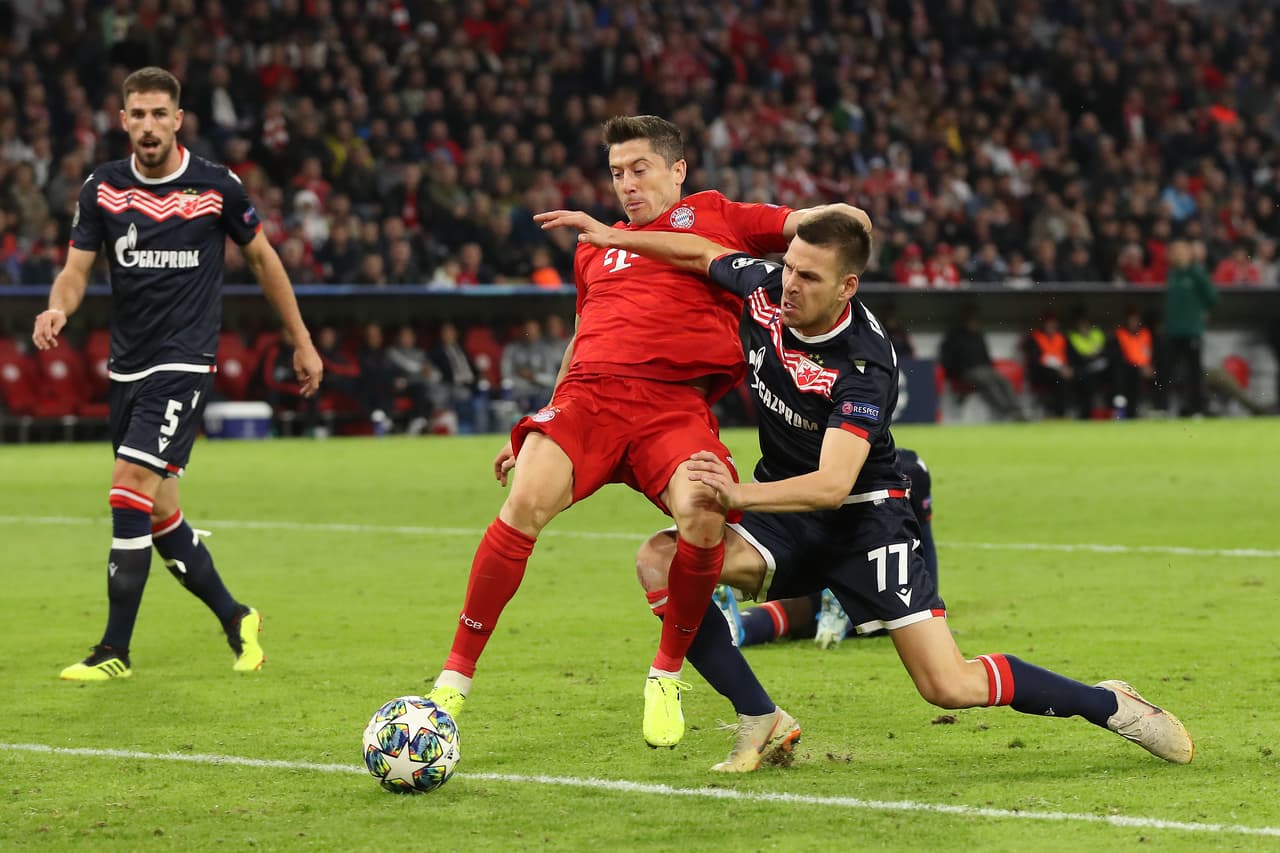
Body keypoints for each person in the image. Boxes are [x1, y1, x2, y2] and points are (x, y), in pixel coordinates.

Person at [547, 206, 1193, 772]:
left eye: (809, 277)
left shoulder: (865, 363)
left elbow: (832, 484)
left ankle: (1112, 704)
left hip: (866, 517)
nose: (789, 285)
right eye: (789, 267)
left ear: (847, 286)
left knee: (948, 683)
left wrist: (735, 496)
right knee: (659, 560)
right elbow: (703, 253)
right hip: (785, 509)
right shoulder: (767, 288)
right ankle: (760, 716)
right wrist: (615, 237)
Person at [427, 115, 824, 750]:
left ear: (678, 170)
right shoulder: (594, 246)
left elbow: (816, 227)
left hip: (673, 406)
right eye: (616, 173)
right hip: (588, 400)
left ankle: (666, 673)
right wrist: (539, 419)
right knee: (524, 499)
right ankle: (453, 679)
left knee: (701, 515)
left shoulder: (717, 214)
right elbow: (583, 334)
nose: (626, 184)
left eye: (639, 169)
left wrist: (831, 232)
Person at [32, 67, 323, 681]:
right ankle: (237, 616)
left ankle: (113, 650)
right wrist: (58, 306)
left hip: (185, 361)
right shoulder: (103, 190)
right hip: (128, 368)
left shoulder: (217, 188)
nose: (148, 125)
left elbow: (264, 260)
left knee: (127, 482)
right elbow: (76, 270)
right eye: (137, 114)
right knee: (159, 512)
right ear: (122, 121)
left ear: (178, 119)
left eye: (159, 114)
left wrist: (301, 341)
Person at [723, 448, 935, 650]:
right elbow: (928, 566)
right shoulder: (910, 467)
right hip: (862, 561)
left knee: (794, 611)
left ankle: (737, 630)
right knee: (890, 615)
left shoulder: (808, 461)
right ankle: (840, 605)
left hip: (799, 547)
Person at [940, 305, 1026, 421]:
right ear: (964, 320)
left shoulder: (978, 336)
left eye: (974, 320)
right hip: (966, 372)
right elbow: (947, 361)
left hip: (985, 370)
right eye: (970, 320)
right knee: (988, 383)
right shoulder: (953, 337)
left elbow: (987, 357)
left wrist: (990, 368)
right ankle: (1006, 412)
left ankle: (1017, 411)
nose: (973, 323)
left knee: (1004, 382)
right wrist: (957, 373)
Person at [1164, 240, 1218, 416]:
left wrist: (1202, 312)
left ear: (1188, 253)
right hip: (1173, 330)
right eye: (1174, 251)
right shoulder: (1172, 273)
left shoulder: (1196, 272)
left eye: (1180, 251)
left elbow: (1212, 296)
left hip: (1191, 330)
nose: (1176, 255)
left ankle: (1197, 408)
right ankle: (1173, 407)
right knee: (1171, 370)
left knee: (1194, 371)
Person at [1023, 311, 1071, 418]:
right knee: (1059, 379)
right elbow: (1035, 360)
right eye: (1048, 323)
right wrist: (1059, 368)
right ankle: (1057, 414)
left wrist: (1067, 368)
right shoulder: (1035, 338)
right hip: (1041, 373)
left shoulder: (1062, 338)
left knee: (1075, 376)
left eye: (1053, 323)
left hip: (1062, 371)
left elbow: (1068, 356)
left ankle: (1079, 413)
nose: (1051, 326)